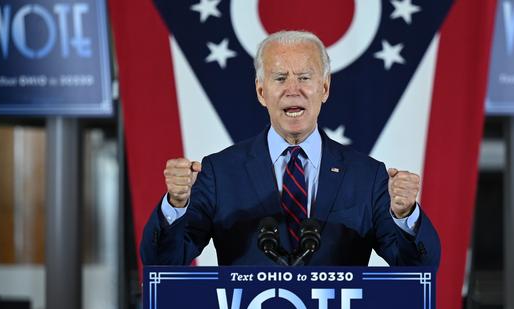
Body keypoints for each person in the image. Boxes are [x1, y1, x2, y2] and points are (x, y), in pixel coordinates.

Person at [140, 30, 440, 267]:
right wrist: (176, 204)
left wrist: (405, 214)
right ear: (261, 91)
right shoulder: (220, 173)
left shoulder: (367, 176)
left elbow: (417, 268)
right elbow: (162, 261)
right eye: (280, 78)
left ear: (324, 88)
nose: (292, 88)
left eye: (305, 78)